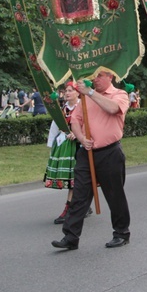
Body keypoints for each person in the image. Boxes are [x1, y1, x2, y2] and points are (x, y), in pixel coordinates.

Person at [52, 69, 131, 250]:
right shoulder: (86, 99)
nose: (95, 80)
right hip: (86, 153)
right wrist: (81, 138)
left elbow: (113, 109)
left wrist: (90, 93)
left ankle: (121, 233)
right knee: (79, 195)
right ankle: (70, 237)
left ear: (110, 76)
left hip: (110, 152)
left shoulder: (120, 94)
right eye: (93, 77)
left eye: (100, 76)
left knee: (114, 195)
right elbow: (75, 121)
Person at [45, 82, 91, 223]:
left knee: (77, 179)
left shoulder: (83, 107)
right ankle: (82, 206)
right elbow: (55, 126)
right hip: (65, 148)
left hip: (80, 147)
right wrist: (52, 145)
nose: (67, 93)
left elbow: (89, 125)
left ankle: (71, 208)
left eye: (70, 90)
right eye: (66, 91)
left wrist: (78, 134)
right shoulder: (62, 110)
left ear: (78, 93)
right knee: (73, 179)